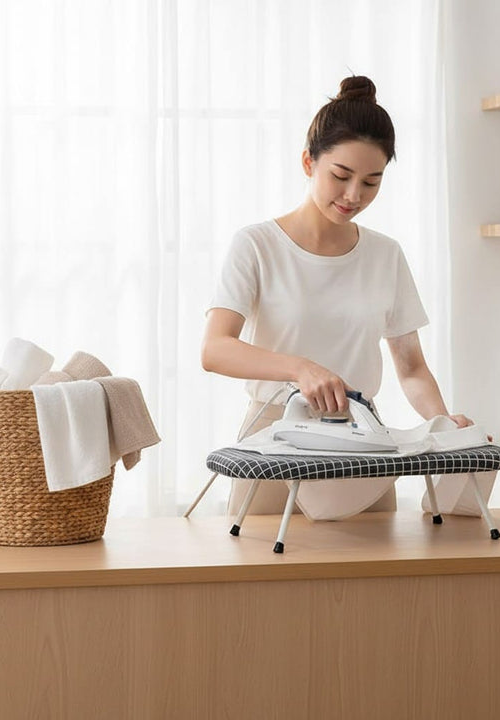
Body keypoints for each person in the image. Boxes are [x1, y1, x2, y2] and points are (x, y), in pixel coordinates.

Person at [201, 75, 473, 519]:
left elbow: (411, 368)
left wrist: (444, 425)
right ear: (308, 162)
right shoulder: (257, 245)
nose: (353, 196)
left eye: (371, 182)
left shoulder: (385, 255)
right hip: (275, 441)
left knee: (373, 564)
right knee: (260, 564)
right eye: (341, 176)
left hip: (362, 442)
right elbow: (215, 350)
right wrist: (301, 369)